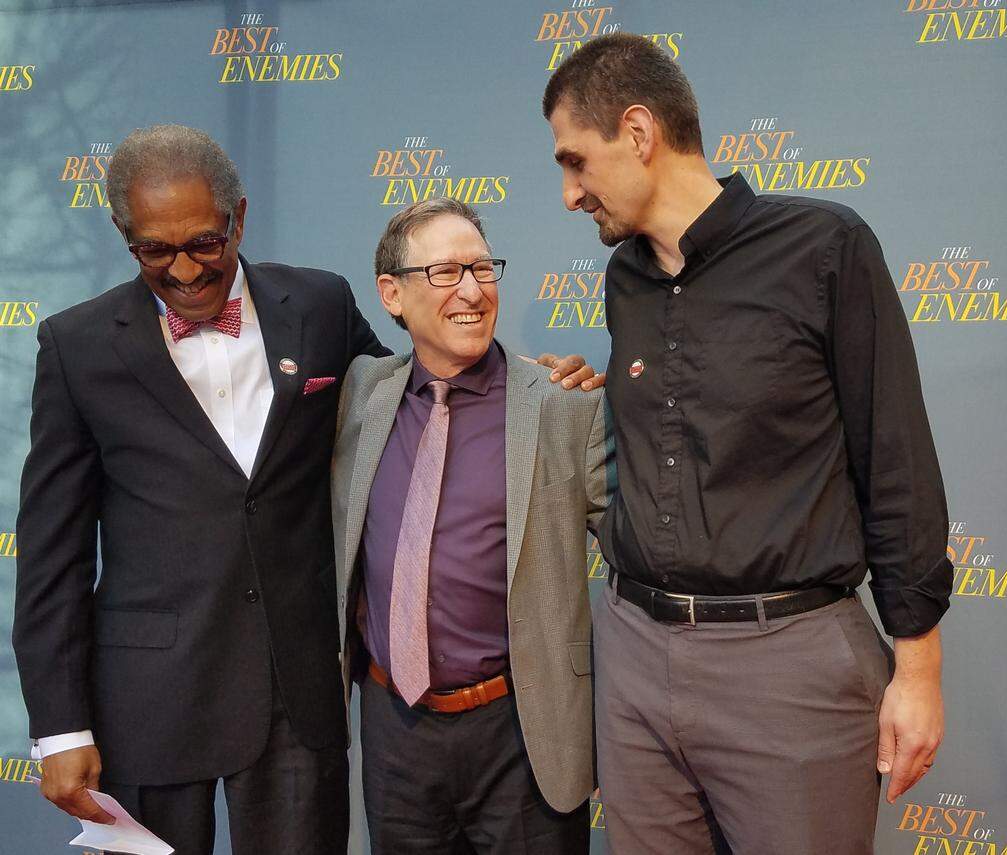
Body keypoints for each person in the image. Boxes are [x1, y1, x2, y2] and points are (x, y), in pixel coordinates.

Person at [12, 124, 595, 855]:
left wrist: (537, 387)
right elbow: (50, 555)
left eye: (204, 244)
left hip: (297, 696)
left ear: (240, 220)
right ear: (126, 239)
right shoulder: (78, 346)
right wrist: (61, 724)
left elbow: (413, 406)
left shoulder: (318, 306)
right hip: (146, 702)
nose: (187, 270)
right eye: (156, 251)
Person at [542, 34, 953, 854]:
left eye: (575, 161)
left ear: (637, 131)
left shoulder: (826, 247)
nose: (569, 193)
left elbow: (895, 456)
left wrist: (920, 669)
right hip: (631, 652)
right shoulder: (624, 278)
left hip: (789, 666)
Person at [331, 197, 612, 854]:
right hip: (394, 730)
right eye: (446, 272)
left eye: (483, 269)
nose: (472, 291)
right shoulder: (358, 395)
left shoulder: (566, 409)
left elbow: (648, 550)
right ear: (391, 294)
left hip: (521, 733)